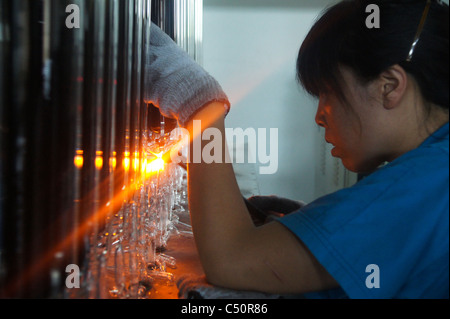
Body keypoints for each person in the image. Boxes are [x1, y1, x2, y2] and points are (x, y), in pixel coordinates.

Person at [147, 0, 449, 299]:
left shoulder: (425, 180)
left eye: (327, 93)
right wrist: (311, 230)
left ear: (389, 86)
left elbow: (231, 261)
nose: (319, 116)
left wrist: (200, 105)